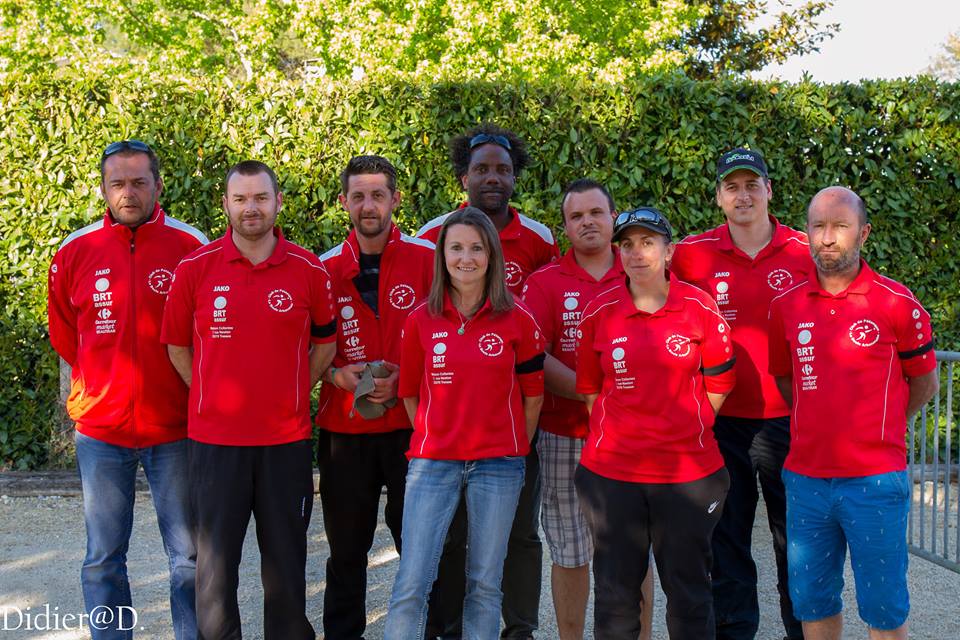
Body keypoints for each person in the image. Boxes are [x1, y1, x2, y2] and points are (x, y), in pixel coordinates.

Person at [161, 160, 336, 640]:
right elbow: (176, 345)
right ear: (226, 205)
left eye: (261, 197)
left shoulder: (307, 268)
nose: (251, 208)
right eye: (240, 199)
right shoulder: (195, 268)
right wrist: (208, 390)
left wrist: (297, 389)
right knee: (215, 571)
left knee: (285, 566)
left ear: (278, 203)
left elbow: (326, 343)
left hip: (286, 441)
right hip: (215, 444)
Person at [47, 139, 206, 640]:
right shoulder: (76, 251)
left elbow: (205, 334)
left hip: (174, 427)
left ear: (159, 186)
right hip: (102, 430)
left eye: (139, 182)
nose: (129, 193)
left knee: (187, 557)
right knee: (102, 558)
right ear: (103, 188)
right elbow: (67, 335)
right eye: (118, 183)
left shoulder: (190, 246)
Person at [768, 186, 939, 640]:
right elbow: (787, 383)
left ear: (862, 232)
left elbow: (924, 383)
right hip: (805, 482)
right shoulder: (784, 308)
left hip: (875, 482)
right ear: (806, 232)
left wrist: (878, 425)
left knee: (883, 611)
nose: (828, 238)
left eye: (840, 226)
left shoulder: (897, 303)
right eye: (818, 226)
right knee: (813, 604)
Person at [418, 124, 557, 639]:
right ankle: (448, 629)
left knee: (521, 533)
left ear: (514, 178)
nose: (492, 178)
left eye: (502, 169)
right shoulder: (433, 234)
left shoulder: (540, 239)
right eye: (482, 169)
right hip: (452, 424)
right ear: (464, 177)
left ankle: (518, 629)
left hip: (518, 420)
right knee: (452, 535)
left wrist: (526, 427)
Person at [575, 207, 736, 640]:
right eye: (626, 244)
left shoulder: (700, 306)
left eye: (648, 242)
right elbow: (591, 389)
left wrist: (683, 427)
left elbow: (719, 383)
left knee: (689, 596)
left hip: (688, 476)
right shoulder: (599, 311)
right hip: (613, 477)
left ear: (669, 251)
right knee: (614, 597)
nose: (636, 253)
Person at [385, 207, 545, 639]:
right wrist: (434, 436)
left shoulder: (518, 319)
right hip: (432, 463)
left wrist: (514, 448)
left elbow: (534, 396)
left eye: (476, 248)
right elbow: (410, 394)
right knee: (411, 582)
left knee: (484, 584)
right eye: (456, 248)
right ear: (443, 256)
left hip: (499, 465)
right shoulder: (420, 319)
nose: (466, 258)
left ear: (491, 255)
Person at [670, 148, 811, 640]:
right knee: (727, 538)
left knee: (796, 540)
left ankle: (804, 628)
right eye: (732, 186)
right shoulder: (691, 254)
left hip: (790, 421)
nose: (743, 194)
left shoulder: (804, 249)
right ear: (718, 198)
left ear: (770, 191)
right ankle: (735, 632)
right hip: (722, 421)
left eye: (753, 184)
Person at [521, 179, 652, 640]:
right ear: (565, 227)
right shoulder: (544, 283)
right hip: (564, 435)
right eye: (576, 216)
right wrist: (592, 391)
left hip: (634, 438)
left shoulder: (643, 272)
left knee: (633, 552)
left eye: (596, 213)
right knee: (570, 552)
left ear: (613, 218)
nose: (588, 222)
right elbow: (534, 354)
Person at [315, 155, 435, 639]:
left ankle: (427, 631)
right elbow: (302, 346)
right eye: (358, 195)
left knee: (420, 544)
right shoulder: (321, 268)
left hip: (413, 427)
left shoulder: (430, 259)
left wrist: (410, 375)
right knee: (346, 549)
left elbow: (451, 334)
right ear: (344, 201)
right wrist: (336, 374)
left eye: (378, 195)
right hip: (346, 429)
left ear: (395, 200)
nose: (369, 205)